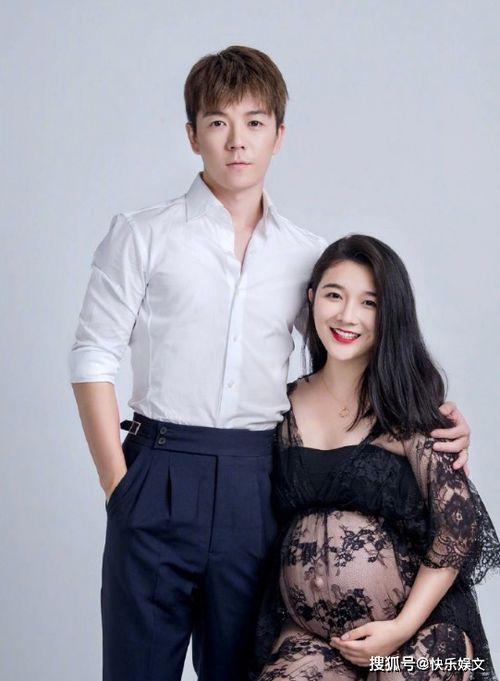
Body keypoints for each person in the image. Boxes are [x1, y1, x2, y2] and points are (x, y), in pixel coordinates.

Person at [68, 47, 471, 681]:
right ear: (192, 135)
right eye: (218, 122)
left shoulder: (306, 255)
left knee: (242, 668)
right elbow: (93, 354)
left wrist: (429, 422)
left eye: (254, 122)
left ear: (278, 136)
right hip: (158, 468)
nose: (237, 141)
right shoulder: (142, 235)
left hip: (256, 480)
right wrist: (120, 489)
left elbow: (347, 359)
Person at [251, 235, 500, 681]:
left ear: (390, 315)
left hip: (417, 635)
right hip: (315, 640)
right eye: (334, 295)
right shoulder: (276, 407)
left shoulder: (411, 410)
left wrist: (399, 629)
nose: (347, 316)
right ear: (312, 299)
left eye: (370, 303)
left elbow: (458, 528)